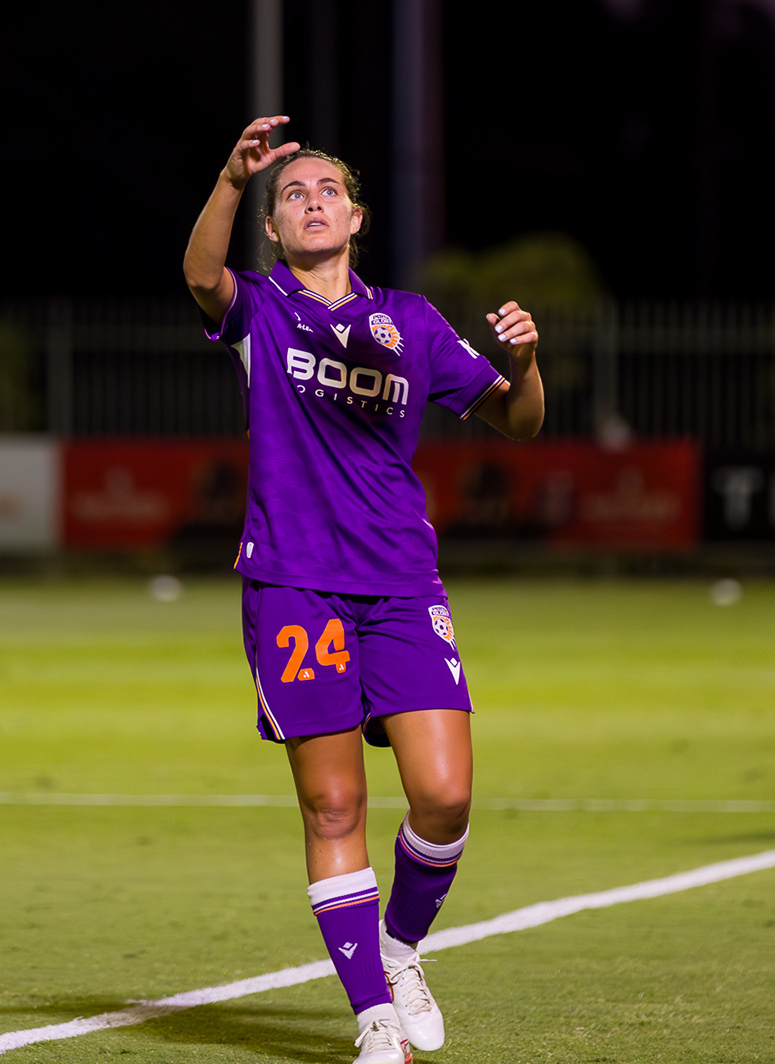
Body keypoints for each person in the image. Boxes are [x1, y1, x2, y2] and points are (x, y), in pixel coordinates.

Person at [183, 116, 545, 1064]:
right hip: (294, 585)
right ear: (272, 228)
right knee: (334, 807)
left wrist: (526, 364)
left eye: (328, 191)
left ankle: (400, 948)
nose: (311, 202)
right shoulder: (260, 311)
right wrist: (231, 179)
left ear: (356, 217)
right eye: (292, 195)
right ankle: (374, 1017)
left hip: (399, 582)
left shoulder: (411, 323)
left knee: (446, 796)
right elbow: (199, 275)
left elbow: (519, 422)